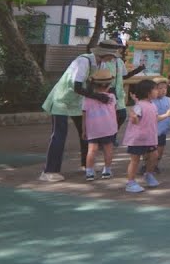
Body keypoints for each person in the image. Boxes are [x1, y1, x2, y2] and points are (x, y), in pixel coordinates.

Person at [38, 41, 122, 182]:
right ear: (105, 54)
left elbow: (96, 84)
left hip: (80, 101)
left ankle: (86, 165)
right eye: (112, 56)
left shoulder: (101, 64)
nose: (114, 59)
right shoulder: (83, 61)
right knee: (59, 134)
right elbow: (77, 87)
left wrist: (109, 97)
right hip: (62, 99)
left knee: (86, 133)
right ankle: (49, 171)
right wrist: (97, 97)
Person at [122, 79, 161, 193]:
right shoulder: (139, 105)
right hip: (138, 139)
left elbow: (155, 118)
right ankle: (130, 182)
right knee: (135, 160)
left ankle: (148, 174)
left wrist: (166, 116)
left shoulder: (152, 104)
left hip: (149, 138)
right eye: (155, 89)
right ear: (148, 92)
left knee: (154, 155)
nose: (157, 91)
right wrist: (134, 118)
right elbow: (135, 120)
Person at [81, 69, 118, 180]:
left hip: (93, 129)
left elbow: (84, 114)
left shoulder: (87, 98)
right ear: (109, 85)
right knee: (108, 149)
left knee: (91, 150)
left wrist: (84, 130)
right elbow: (114, 112)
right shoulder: (112, 97)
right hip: (109, 128)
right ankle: (106, 171)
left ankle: (89, 172)